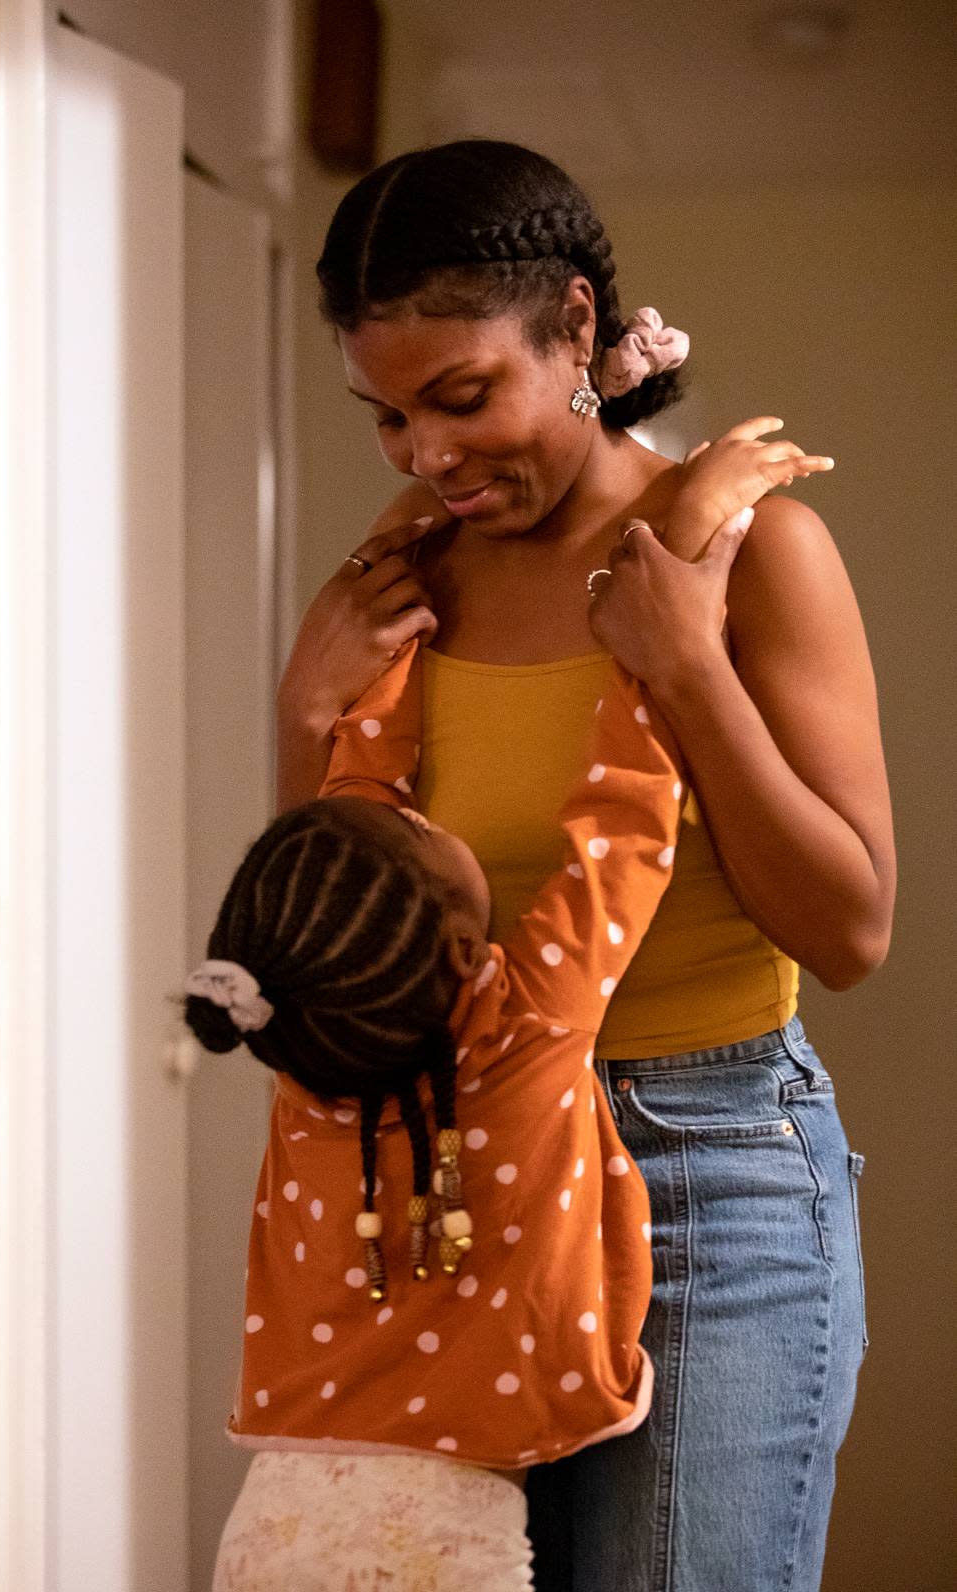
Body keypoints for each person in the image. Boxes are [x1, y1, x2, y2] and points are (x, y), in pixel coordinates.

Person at [276, 139, 894, 1591]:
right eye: (387, 418)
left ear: (575, 330)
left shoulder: (758, 556)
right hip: (456, 1181)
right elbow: (332, 948)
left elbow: (852, 928)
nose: (430, 456)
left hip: (711, 1182)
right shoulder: (401, 585)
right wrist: (308, 714)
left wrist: (689, 675)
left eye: (463, 397)